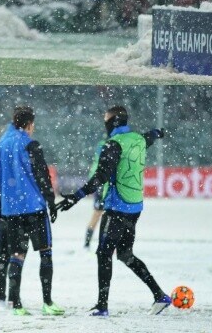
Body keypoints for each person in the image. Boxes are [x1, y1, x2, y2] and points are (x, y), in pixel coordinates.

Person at [56, 106, 170, 317]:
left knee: (104, 253)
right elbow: (150, 136)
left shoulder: (112, 145)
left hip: (117, 208)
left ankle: (102, 305)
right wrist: (159, 132)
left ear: (114, 122)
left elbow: (100, 177)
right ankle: (160, 295)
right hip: (135, 208)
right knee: (125, 255)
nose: (105, 124)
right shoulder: (138, 139)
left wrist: (76, 196)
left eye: (106, 120)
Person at [0, 106, 64, 316]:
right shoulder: (30, 144)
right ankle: (47, 302)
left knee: (16, 255)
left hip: (12, 210)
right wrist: (50, 202)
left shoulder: (1, 144)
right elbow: (42, 176)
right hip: (34, 208)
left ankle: (16, 304)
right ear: (30, 124)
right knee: (45, 253)